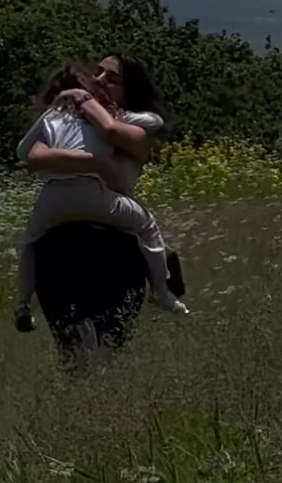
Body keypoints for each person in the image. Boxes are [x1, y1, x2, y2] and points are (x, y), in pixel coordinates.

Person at [15, 55, 188, 331]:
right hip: (100, 199)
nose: (98, 79)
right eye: (97, 72)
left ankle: (24, 302)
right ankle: (162, 289)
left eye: (112, 79)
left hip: (54, 199)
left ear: (129, 92)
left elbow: (108, 130)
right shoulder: (80, 116)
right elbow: (36, 156)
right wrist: (95, 162)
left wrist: (79, 99)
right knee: (147, 225)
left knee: (30, 241)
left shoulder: (127, 125)